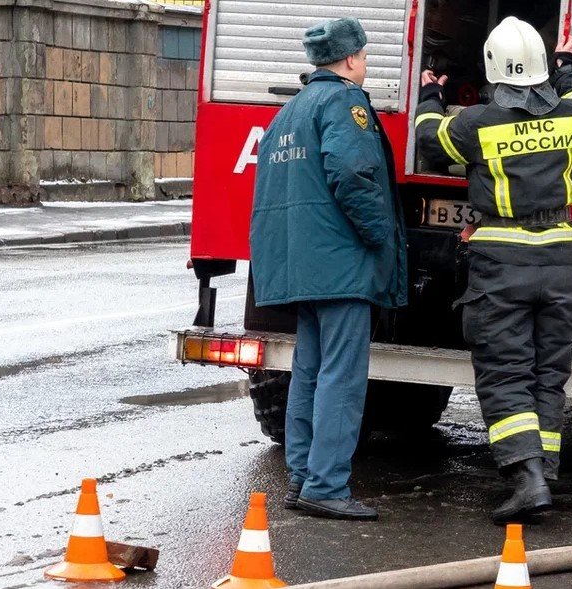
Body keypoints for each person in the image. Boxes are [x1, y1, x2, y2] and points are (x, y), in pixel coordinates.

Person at [415, 17, 572, 524]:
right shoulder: (570, 118)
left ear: (494, 69)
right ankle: (543, 472)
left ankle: (526, 480)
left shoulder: (476, 123)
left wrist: (432, 93)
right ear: (541, 67)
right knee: (547, 374)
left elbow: (430, 140)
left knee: (504, 376)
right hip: (562, 262)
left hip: (503, 265)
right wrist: (568, 69)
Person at [249, 17, 407, 521]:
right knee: (342, 375)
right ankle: (326, 484)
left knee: (309, 372)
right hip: (341, 266)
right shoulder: (345, 103)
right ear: (351, 59)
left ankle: (302, 476)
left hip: (303, 266)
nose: (364, 64)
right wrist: (381, 237)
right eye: (363, 56)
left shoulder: (289, 112)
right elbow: (353, 174)